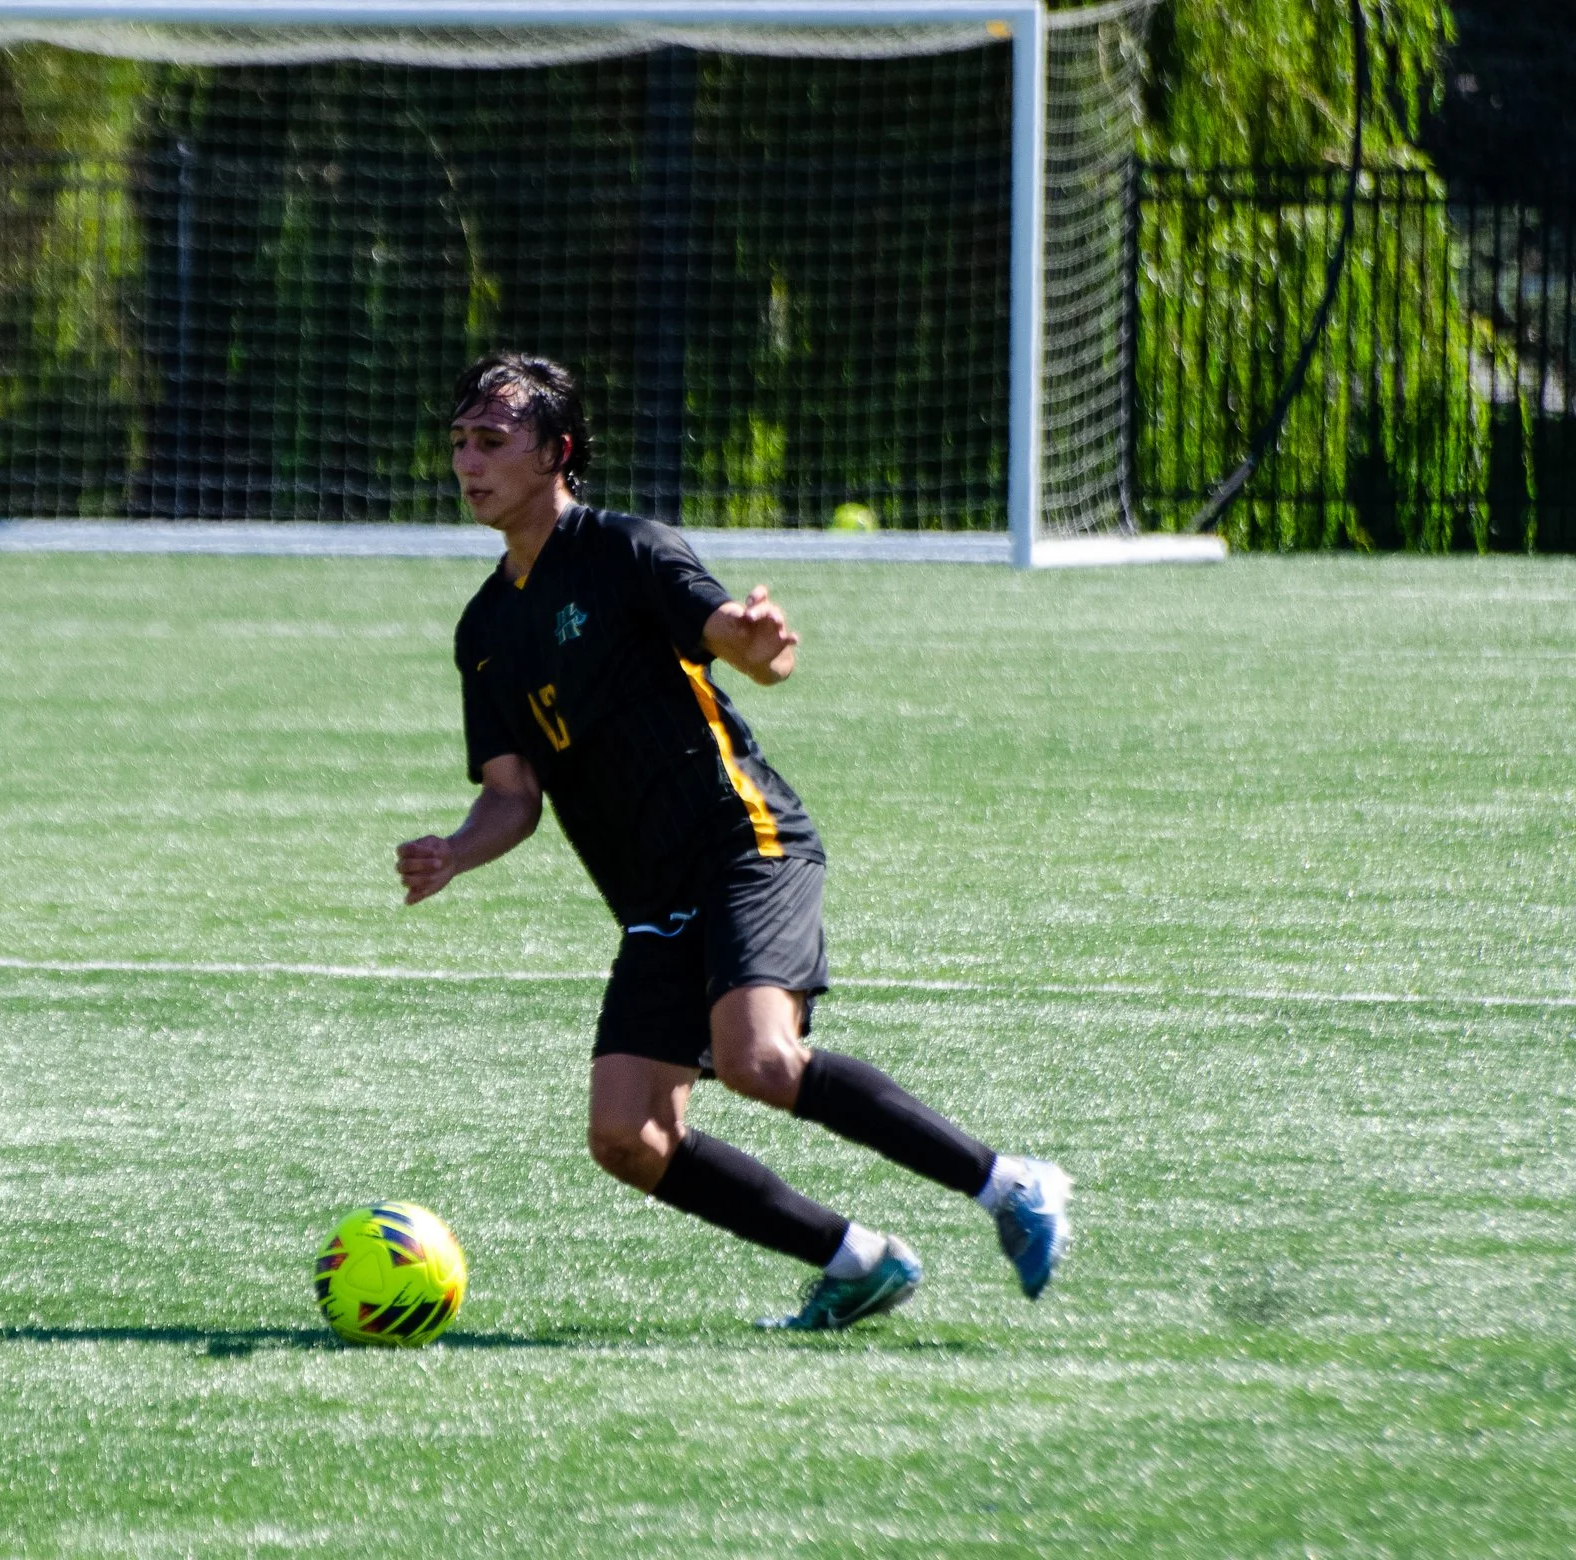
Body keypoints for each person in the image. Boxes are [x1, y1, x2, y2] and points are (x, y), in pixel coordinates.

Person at [395, 351, 1071, 1330]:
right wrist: (457, 851)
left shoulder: (624, 549)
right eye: (460, 441)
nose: (468, 461)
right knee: (627, 1136)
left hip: (741, 839)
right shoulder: (485, 629)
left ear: (556, 453)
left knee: (759, 1059)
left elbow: (735, 637)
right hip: (651, 896)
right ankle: (856, 1261)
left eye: (491, 441)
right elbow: (514, 794)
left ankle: (1011, 1185)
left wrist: (756, 645)